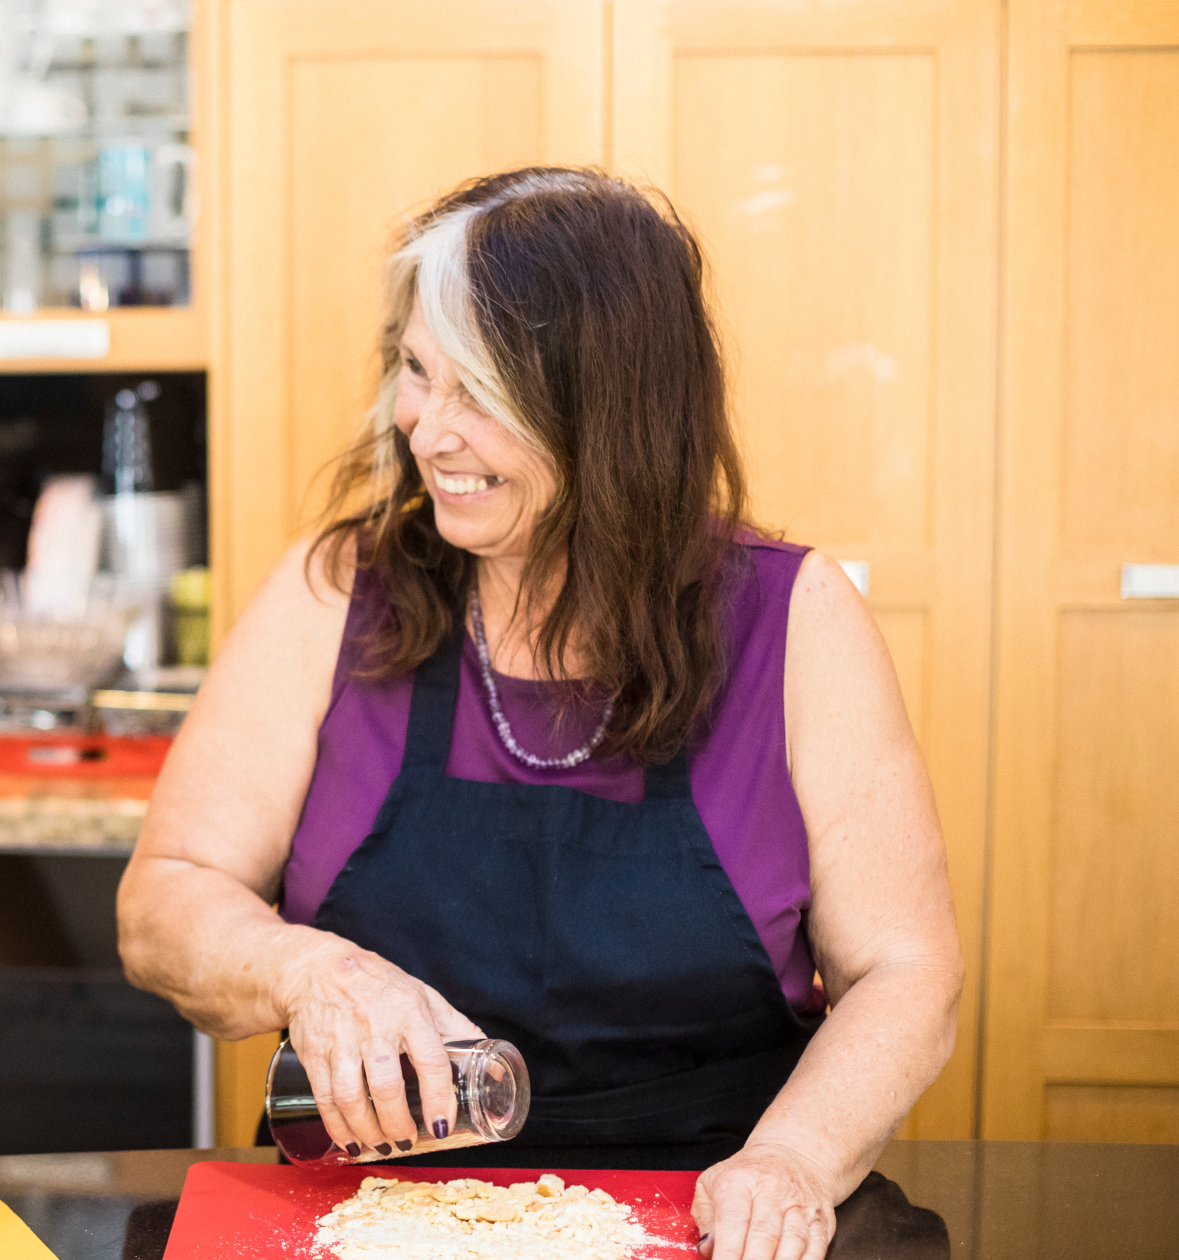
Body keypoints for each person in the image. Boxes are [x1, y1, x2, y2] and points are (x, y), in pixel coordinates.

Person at [118, 168, 961, 1260]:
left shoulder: (791, 621)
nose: (423, 429)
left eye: (476, 392)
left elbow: (904, 970)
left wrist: (791, 1160)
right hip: (368, 1222)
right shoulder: (336, 591)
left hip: (707, 1211)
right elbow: (164, 901)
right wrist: (310, 969)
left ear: (606, 413)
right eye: (416, 373)